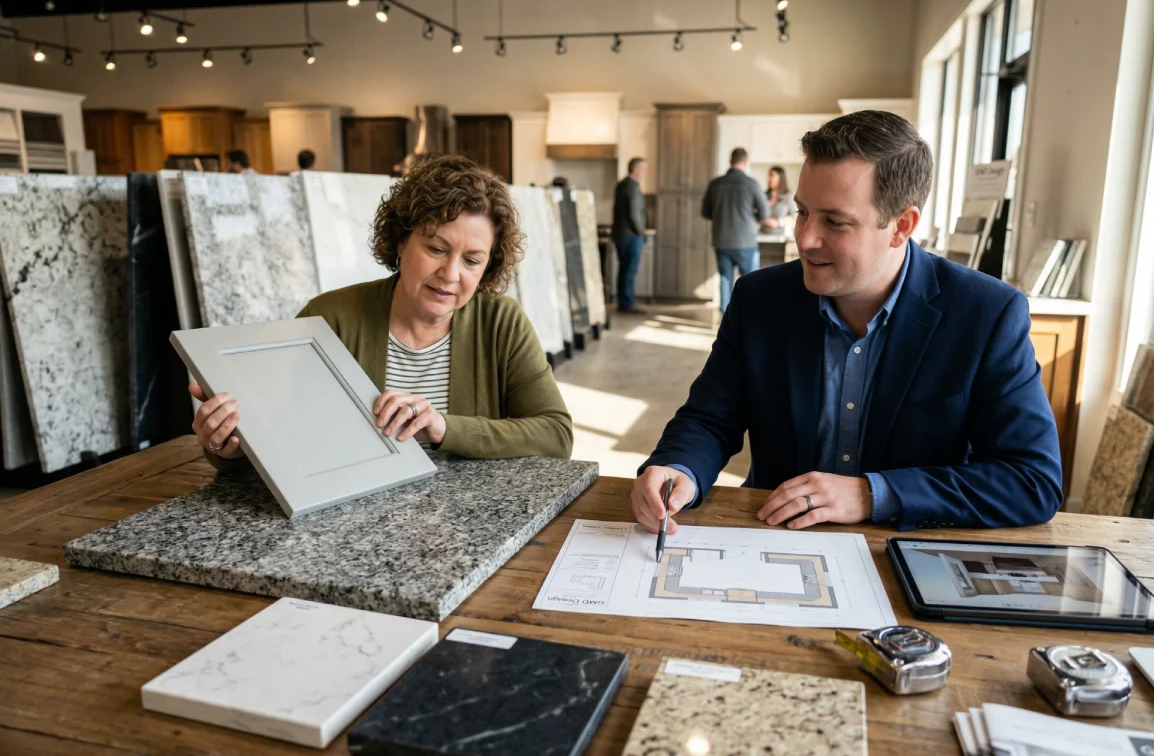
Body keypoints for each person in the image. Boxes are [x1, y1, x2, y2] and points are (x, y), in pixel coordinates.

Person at [631, 111, 1061, 534]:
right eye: (802, 213)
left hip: (903, 550)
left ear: (901, 226)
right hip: (774, 539)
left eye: (834, 222)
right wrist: (677, 468)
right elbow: (710, 419)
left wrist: (872, 494)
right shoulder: (759, 298)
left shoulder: (986, 313)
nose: (804, 239)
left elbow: (1030, 480)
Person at [190, 154, 574, 468]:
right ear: (401, 241)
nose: (450, 274)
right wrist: (229, 445)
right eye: (436, 249)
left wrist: (444, 428)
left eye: (472, 260)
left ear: (488, 266)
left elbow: (556, 435)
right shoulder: (329, 318)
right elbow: (279, 439)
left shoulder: (502, 322)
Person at [702, 148, 770, 312]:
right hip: (745, 241)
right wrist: (751, 213)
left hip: (721, 241)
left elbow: (706, 212)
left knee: (725, 279)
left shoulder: (715, 184)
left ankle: (726, 321)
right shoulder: (751, 183)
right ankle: (751, 317)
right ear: (745, 162)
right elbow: (765, 214)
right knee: (751, 281)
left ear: (731, 161)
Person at [612, 157, 648, 313]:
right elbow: (634, 213)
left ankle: (625, 302)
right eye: (644, 169)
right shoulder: (631, 186)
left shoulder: (623, 184)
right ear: (636, 169)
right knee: (629, 270)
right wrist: (641, 232)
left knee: (625, 269)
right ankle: (627, 303)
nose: (645, 173)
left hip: (622, 234)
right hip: (630, 235)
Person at [761, 165, 797, 236]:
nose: (769, 179)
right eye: (769, 176)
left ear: (780, 178)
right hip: (762, 235)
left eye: (772, 175)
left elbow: (794, 217)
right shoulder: (764, 195)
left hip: (780, 237)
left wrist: (778, 222)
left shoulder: (788, 196)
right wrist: (764, 221)